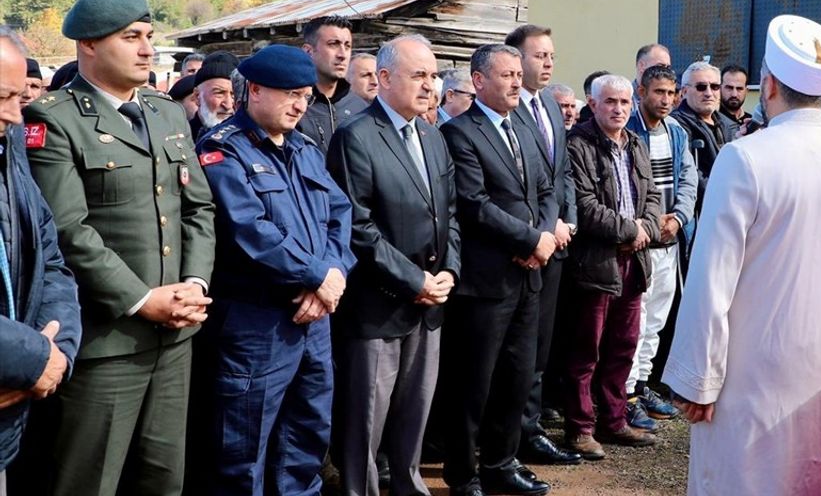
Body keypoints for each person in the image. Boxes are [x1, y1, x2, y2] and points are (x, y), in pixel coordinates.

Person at [23, 0, 217, 496]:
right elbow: (67, 229)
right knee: (90, 482)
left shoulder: (166, 112)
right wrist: (141, 299)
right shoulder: (55, 118)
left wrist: (194, 284)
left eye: (149, 36)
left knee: (164, 479)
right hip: (107, 342)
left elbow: (198, 208)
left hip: (175, 336)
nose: (148, 50)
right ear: (88, 44)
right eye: (131, 37)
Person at [667, 14, 821, 496]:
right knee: (806, 473)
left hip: (747, 362)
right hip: (817, 358)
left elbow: (712, 277)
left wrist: (698, 378)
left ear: (771, 84)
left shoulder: (745, 157)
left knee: (739, 477)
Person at [196, 44, 355, 495]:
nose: (300, 105)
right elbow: (249, 229)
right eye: (290, 94)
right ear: (255, 91)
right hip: (256, 325)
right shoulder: (223, 150)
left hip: (313, 320)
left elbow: (339, 214)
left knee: (306, 440)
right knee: (242, 454)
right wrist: (316, 277)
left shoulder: (304, 148)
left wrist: (333, 273)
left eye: (305, 96)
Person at [327, 36, 460, 496]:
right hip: (378, 306)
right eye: (418, 75)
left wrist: (449, 272)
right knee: (366, 420)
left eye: (434, 76)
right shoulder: (356, 136)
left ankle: (409, 485)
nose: (430, 86)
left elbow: (450, 214)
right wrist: (413, 280)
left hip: (430, 303)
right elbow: (357, 226)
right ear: (384, 78)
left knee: (414, 414)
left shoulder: (433, 136)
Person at [438, 44, 558, 496]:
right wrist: (529, 241)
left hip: (528, 276)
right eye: (506, 75)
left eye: (517, 75)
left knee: (517, 377)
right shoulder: (459, 133)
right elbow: (474, 204)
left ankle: (501, 463)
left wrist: (541, 238)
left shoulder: (522, 125)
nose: (515, 82)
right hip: (486, 281)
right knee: (474, 383)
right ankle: (462, 474)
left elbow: (546, 189)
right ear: (478, 80)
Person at [562, 75, 663, 459]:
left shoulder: (635, 143)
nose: (618, 109)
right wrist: (631, 230)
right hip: (596, 262)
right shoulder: (578, 145)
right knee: (585, 350)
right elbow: (584, 206)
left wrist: (646, 229)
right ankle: (580, 428)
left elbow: (652, 196)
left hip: (634, 260)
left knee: (623, 346)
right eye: (610, 102)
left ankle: (615, 420)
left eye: (624, 102)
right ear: (593, 104)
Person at [0, 30, 81, 495]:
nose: (16, 113)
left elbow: (49, 258)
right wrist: (30, 357)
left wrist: (57, 353)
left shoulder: (8, 148)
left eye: (19, 96)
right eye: (3, 98)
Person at [504, 25, 582, 468]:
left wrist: (565, 220)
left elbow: (561, 173)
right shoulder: (506, 108)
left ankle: (530, 430)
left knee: (540, 346)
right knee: (514, 351)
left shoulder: (550, 107)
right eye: (539, 55)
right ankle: (507, 436)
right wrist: (540, 230)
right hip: (521, 247)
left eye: (551, 55)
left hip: (554, 243)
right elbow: (515, 186)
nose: (549, 62)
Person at [623, 65, 696, 430]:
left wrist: (679, 218)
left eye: (671, 93)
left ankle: (641, 386)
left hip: (668, 243)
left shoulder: (677, 132)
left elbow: (688, 179)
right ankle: (625, 396)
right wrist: (650, 225)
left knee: (655, 324)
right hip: (638, 244)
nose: (666, 100)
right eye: (658, 92)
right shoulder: (627, 130)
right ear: (641, 92)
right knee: (632, 326)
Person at [671, 61, 737, 213]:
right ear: (684, 91)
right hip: (697, 212)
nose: (709, 93)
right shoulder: (676, 124)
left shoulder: (729, 124)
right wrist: (725, 198)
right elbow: (690, 173)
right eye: (701, 87)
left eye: (715, 87)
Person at [296, 15, 366, 153]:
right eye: (333, 44)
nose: (342, 55)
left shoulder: (361, 108)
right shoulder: (293, 107)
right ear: (308, 51)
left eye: (347, 46)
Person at [190, 52, 239, 141]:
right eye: (219, 93)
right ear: (197, 96)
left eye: (234, 94)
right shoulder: (181, 137)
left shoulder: (253, 140)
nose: (228, 105)